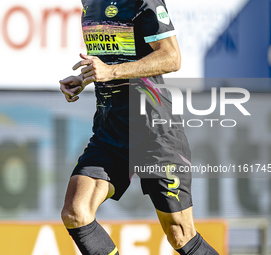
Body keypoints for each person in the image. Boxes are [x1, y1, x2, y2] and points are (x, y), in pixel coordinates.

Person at [59, 0, 219, 254]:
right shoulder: (88, 2)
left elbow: (171, 57)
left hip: (154, 132)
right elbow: (114, 56)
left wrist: (111, 72)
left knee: (180, 235)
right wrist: (85, 78)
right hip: (110, 131)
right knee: (76, 212)